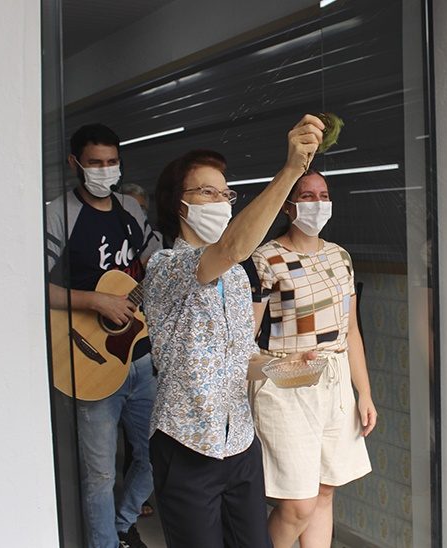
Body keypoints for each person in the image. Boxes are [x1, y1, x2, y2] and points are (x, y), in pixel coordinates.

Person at [142, 114, 325, 548]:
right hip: (187, 445)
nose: (221, 201)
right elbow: (231, 247)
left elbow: (245, 357)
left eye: (225, 193)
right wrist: (291, 170)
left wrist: (284, 366)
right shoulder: (166, 267)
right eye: (207, 192)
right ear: (178, 204)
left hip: (240, 442)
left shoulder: (237, 278)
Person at [45, 124, 161, 548]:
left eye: (112, 162)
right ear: (75, 163)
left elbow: (158, 264)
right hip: (89, 358)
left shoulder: (129, 209)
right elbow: (32, 286)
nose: (105, 170)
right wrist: (95, 301)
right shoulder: (60, 214)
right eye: (95, 163)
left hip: (141, 357)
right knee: (100, 473)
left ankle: (120, 526)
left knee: (156, 456)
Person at [247, 169, 376, 548]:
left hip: (334, 381)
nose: (317, 203)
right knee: (297, 505)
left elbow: (350, 331)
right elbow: (244, 339)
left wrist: (364, 393)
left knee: (324, 490)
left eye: (323, 195)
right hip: (285, 383)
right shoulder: (265, 259)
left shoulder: (340, 257)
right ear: (287, 206)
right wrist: (272, 368)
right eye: (307, 196)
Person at [118, 181, 159, 520]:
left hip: (143, 357)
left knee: (149, 452)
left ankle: (123, 523)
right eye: (130, 207)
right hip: (99, 358)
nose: (136, 214)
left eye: (141, 209)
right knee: (101, 465)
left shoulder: (156, 249)